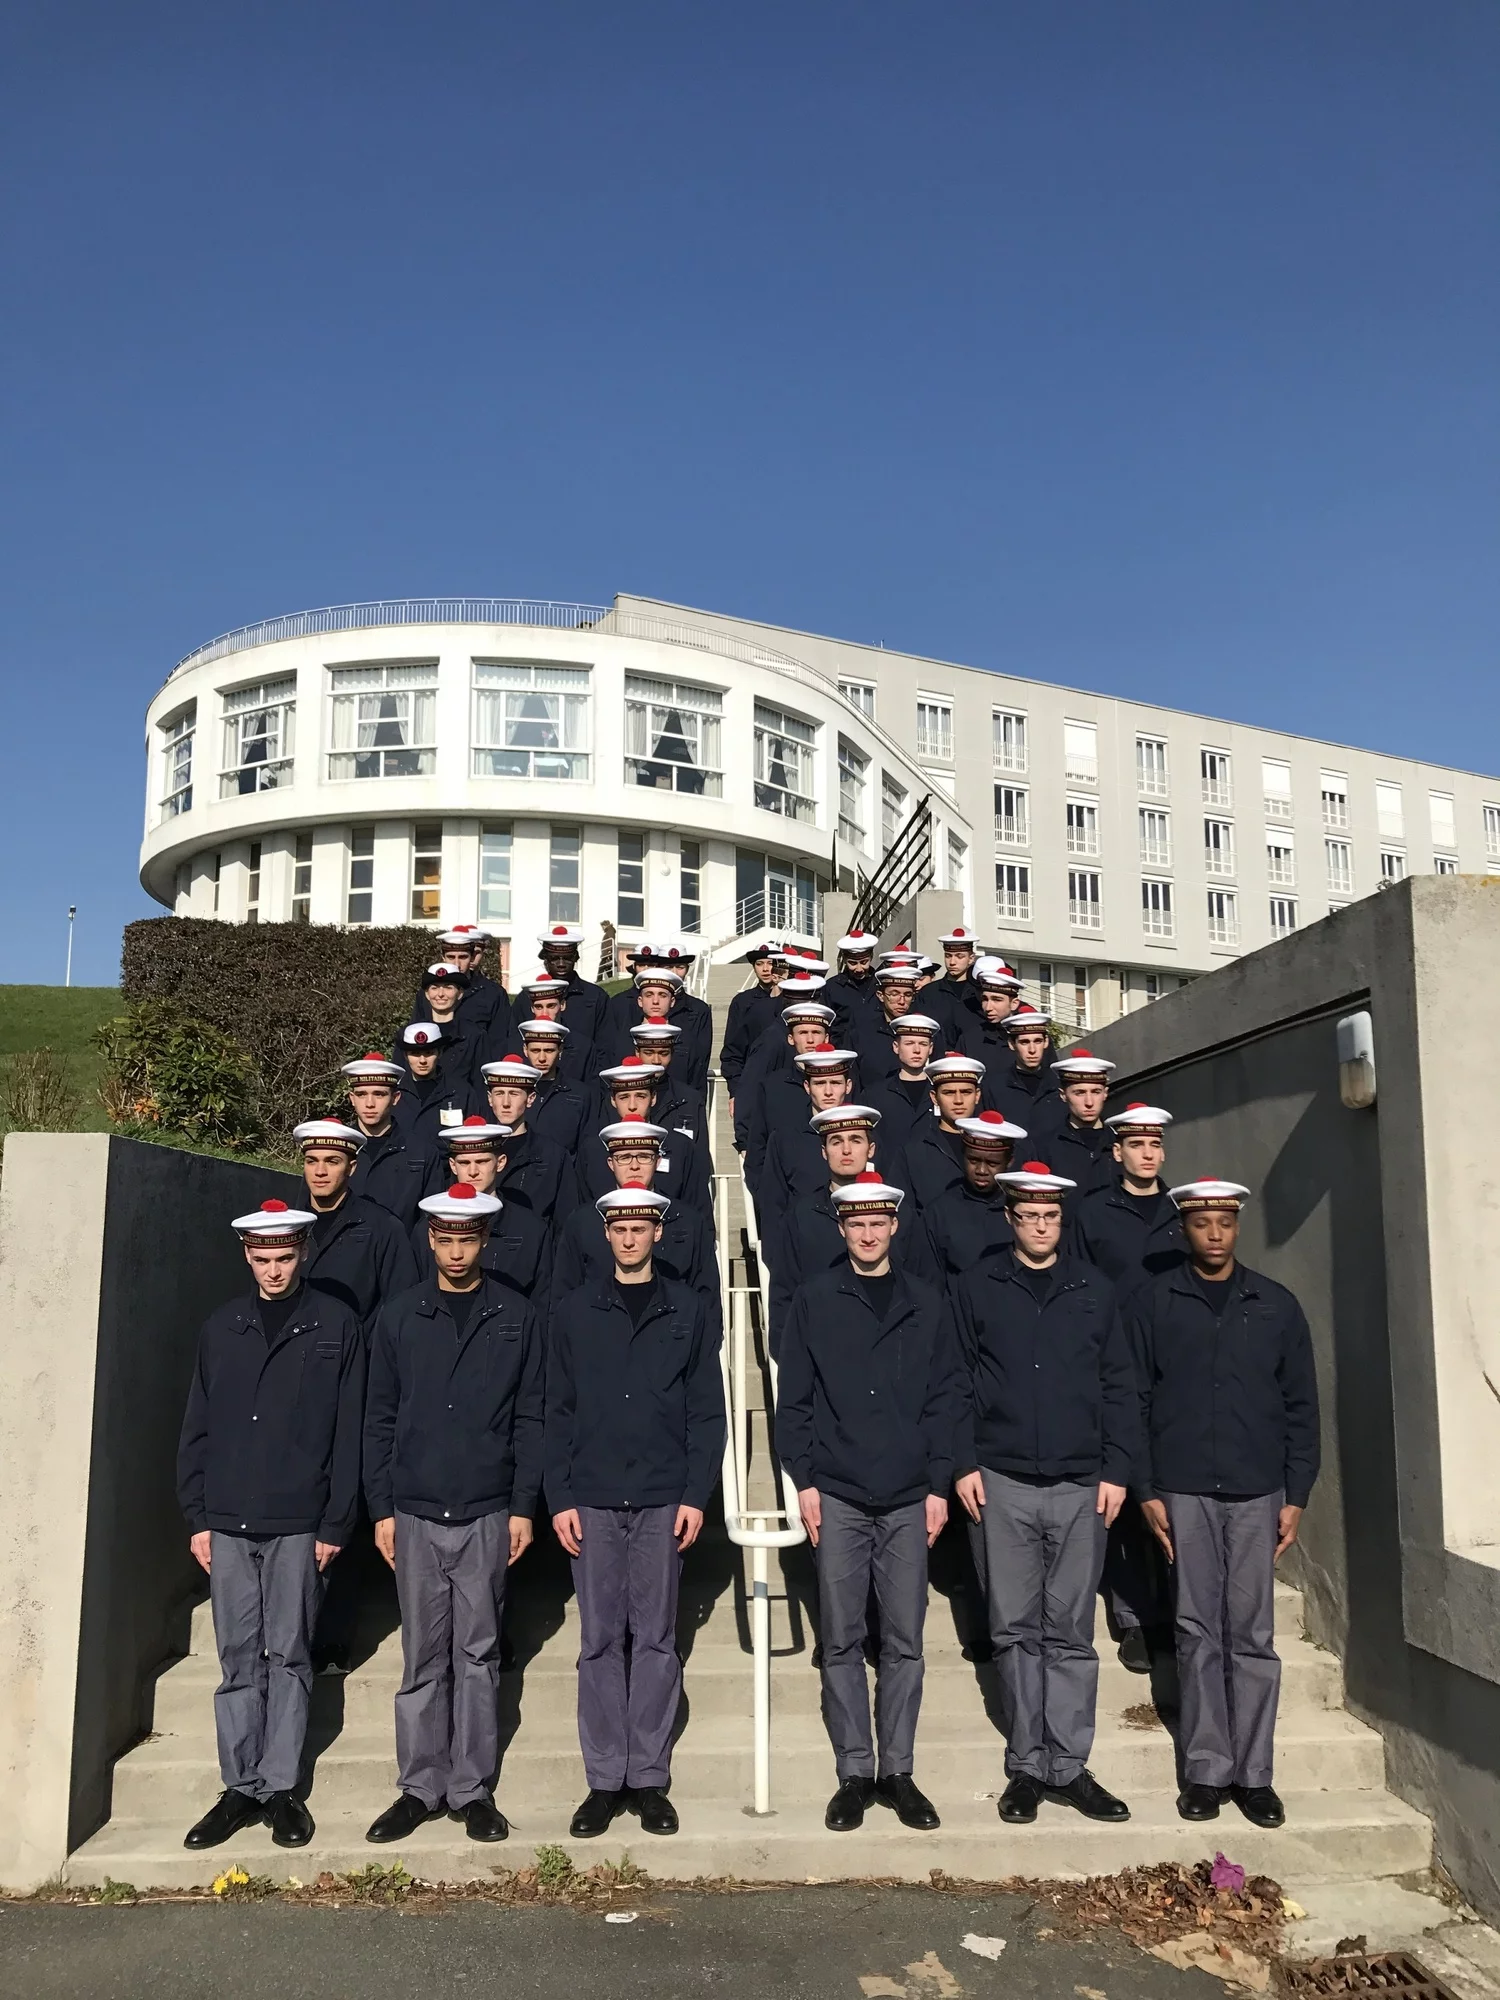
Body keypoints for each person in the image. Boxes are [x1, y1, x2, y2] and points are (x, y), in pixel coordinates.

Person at [1129, 1180, 1320, 1831]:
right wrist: (1148, 1490)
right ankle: (1208, 1770)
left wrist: (1296, 1493)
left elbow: (1301, 1408)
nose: (1214, 1233)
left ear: (1237, 1227)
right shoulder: (1156, 1302)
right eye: (1202, 1222)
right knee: (1197, 1629)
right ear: (1184, 1227)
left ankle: (1255, 1775)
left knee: (1252, 1634)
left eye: (1225, 1222)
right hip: (1183, 1486)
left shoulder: (1276, 1306)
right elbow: (1136, 1400)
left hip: (1256, 1487)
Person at [952, 1161, 1139, 1826]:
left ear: (1062, 1219)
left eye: (1050, 1215)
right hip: (1000, 1479)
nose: (1039, 1224)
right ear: (1009, 1219)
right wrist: (963, 1463)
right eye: (1027, 1215)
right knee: (1013, 1628)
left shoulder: (1094, 1288)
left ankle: (1070, 1765)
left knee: (1068, 1631)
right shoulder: (978, 1286)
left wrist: (1118, 1469)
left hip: (1079, 1482)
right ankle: (1028, 1764)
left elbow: (1119, 1383)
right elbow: (956, 1378)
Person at [776, 1170, 963, 1833]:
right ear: (842, 1229)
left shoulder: (926, 1300)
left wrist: (939, 1484)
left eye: (877, 1221)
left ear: (894, 1226)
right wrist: (804, 1482)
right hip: (842, 1492)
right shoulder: (817, 1298)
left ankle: (899, 1771)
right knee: (843, 1637)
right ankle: (856, 1770)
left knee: (906, 1639)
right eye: (855, 1223)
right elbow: (793, 1401)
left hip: (910, 1493)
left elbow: (947, 1398)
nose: (867, 1232)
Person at [177, 1198, 364, 1851]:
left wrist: (337, 1522)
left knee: (288, 1654)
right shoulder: (221, 1327)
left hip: (299, 1519)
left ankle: (281, 1788)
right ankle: (239, 1786)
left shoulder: (336, 1326)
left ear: (303, 1254)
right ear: (247, 1256)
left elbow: (350, 1436)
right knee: (236, 1659)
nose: (275, 1269)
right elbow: (196, 1428)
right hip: (228, 1519)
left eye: (285, 1257)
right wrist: (197, 1515)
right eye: (263, 1258)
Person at [363, 1181, 543, 1846]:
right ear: (430, 1240)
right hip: (413, 1509)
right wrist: (380, 1507)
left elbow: (531, 1417)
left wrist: (523, 1506)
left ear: (484, 1240)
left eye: (469, 1238)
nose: (458, 1249)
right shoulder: (400, 1316)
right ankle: (418, 1786)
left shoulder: (518, 1317)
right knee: (421, 1657)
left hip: (486, 1507)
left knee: (478, 1653)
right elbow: (378, 1418)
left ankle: (470, 1788)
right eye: (447, 1238)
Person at [546, 1185, 726, 1839]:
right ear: (606, 1235)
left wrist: (694, 1493)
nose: (628, 1239)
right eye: (618, 1229)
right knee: (599, 1642)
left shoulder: (689, 1310)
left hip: (659, 1496)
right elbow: (556, 1411)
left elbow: (707, 1410)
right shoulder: (571, 1312)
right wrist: (559, 1496)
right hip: (592, 1496)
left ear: (657, 1233)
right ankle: (604, 1780)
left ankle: (647, 1776)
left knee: (653, 1639)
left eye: (639, 1229)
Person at [1070, 1103, 1185, 1673]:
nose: (1146, 1153)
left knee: (1168, 1490)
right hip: (1113, 1367)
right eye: (1135, 1144)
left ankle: (1174, 1614)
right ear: (1116, 1152)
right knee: (1120, 1487)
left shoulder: (1184, 1212)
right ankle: (1133, 1619)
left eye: (1154, 1145)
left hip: (1172, 1369)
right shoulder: (1091, 1213)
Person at [769, 1105, 938, 1349]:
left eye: (855, 1140)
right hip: (822, 1352)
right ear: (824, 1152)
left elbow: (926, 1287)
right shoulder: (800, 1217)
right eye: (836, 1142)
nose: (846, 1150)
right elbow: (784, 1296)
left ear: (871, 1149)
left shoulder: (902, 1215)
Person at [553, 1116, 720, 1330]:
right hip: (598, 1339)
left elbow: (708, 1299)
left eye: (643, 1156)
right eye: (623, 1157)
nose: (634, 1166)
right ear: (610, 1163)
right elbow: (563, 1296)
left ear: (658, 1161)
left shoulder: (689, 1222)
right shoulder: (582, 1222)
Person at [409, 1118, 554, 1309]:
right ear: (452, 1165)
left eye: (482, 1161)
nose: (472, 1171)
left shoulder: (530, 1229)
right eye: (464, 1162)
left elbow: (543, 1300)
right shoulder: (426, 1228)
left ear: (500, 1162)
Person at [296, 1119, 420, 1338]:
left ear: (352, 1167)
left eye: (332, 1161)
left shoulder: (383, 1227)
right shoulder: (288, 1226)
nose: (320, 1171)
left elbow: (402, 1307)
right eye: (311, 1161)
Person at [920, 1109, 1028, 1302]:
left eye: (992, 1163)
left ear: (1009, 1162)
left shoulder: (1025, 1212)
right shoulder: (940, 1212)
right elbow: (929, 1286)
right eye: (973, 1160)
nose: (981, 1170)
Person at [734, 997, 838, 1176]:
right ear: (791, 1038)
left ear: (827, 1037)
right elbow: (757, 1143)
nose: (811, 1040)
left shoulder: (844, 1082)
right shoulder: (773, 1086)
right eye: (803, 1033)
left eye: (816, 1032)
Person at [343, 1051, 443, 1230]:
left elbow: (430, 1224)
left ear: (395, 1098)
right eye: (361, 1094)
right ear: (352, 1099)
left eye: (379, 1094)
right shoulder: (335, 1150)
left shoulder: (423, 1153)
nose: (370, 1103)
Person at [479, 1054, 581, 1225]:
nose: (505, 1102)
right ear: (490, 1098)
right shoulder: (472, 1151)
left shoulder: (553, 1156)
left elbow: (565, 1221)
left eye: (514, 1093)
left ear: (531, 1099)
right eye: (499, 1093)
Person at [897, 1051, 989, 1211]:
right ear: (934, 1097)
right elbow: (905, 1212)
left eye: (966, 1092)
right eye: (949, 1093)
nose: (958, 1101)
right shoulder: (913, 1153)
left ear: (977, 1095)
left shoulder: (996, 1148)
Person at [604, 960, 712, 1093]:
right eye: (649, 995)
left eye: (662, 995)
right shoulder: (621, 1040)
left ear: (672, 1001)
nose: (655, 1001)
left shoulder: (687, 1041)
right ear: (640, 1001)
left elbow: (696, 1084)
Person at [1035, 1049, 1118, 1202]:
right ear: (1063, 1095)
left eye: (1096, 1092)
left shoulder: (1121, 1144)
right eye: (1079, 1093)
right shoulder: (1043, 1147)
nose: (1089, 1102)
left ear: (1105, 1093)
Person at [391, 1021, 483, 1150]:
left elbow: (473, 1138)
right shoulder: (393, 1093)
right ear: (406, 1056)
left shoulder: (461, 1092)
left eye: (428, 1053)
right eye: (415, 1054)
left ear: (439, 1053)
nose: (422, 1060)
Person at [718, 940, 786, 1107]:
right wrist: (735, 1090)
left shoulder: (793, 999)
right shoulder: (743, 1002)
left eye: (770, 963)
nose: (765, 969)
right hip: (752, 1083)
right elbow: (733, 1050)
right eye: (759, 963)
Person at [861, 1013, 944, 1150]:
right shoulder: (874, 1096)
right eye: (909, 1043)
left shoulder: (943, 1093)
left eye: (923, 1044)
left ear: (931, 1048)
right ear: (896, 1047)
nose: (916, 1050)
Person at [515, 1016, 589, 1152]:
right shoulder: (513, 1093)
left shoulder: (580, 1094)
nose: (542, 1058)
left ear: (560, 1050)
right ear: (525, 1050)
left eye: (549, 1051)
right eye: (535, 1050)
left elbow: (586, 1147)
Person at [537, 921, 612, 1048]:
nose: (561, 964)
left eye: (567, 958)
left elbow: (606, 1046)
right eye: (554, 958)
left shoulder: (596, 997)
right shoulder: (527, 998)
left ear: (576, 957)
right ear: (545, 959)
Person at [957, 960, 1026, 1089]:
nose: (988, 1007)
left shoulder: (1033, 1038)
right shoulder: (970, 1039)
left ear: (1014, 1003)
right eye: (985, 999)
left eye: (996, 1000)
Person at [989, 1006, 1060, 1130]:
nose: (1032, 1050)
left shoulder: (1060, 1086)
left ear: (1046, 1042)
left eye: (1037, 1041)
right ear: (1012, 1044)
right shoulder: (993, 1086)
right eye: (1024, 1042)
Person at [922, 925, 985, 1041]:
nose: (952, 962)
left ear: (971, 958)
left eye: (959, 956)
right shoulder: (928, 993)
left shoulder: (981, 993)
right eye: (948, 956)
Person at [822, 928, 880, 1039]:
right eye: (853, 963)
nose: (859, 969)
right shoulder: (832, 987)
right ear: (844, 960)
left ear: (871, 957)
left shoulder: (882, 983)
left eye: (864, 962)